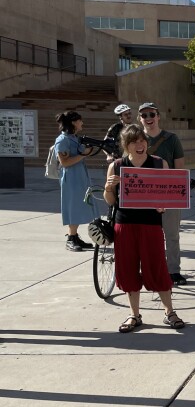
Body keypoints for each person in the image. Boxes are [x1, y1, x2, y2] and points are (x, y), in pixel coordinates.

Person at [103, 124, 185, 333]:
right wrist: (109, 187)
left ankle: (169, 312)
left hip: (150, 223)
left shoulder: (159, 163)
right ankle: (134, 314)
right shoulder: (117, 166)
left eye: (142, 141)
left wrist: (163, 204)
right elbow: (110, 201)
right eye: (134, 142)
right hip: (125, 222)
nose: (139, 145)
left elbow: (169, 195)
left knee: (157, 266)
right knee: (128, 268)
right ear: (126, 145)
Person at [137, 103, 187, 285]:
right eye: (144, 115)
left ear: (158, 116)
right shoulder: (136, 139)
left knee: (171, 234)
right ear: (139, 119)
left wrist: (173, 192)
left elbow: (179, 167)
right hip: (142, 195)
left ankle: (173, 270)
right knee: (145, 236)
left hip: (167, 193)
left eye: (151, 114)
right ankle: (148, 271)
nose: (148, 118)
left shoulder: (171, 139)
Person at [54, 110, 100, 251]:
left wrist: (90, 149)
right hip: (71, 178)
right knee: (73, 207)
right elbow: (65, 162)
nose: (82, 123)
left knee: (81, 206)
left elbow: (84, 152)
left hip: (80, 176)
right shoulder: (62, 140)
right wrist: (83, 154)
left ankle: (74, 236)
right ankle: (70, 238)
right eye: (80, 120)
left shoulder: (74, 137)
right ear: (74, 122)